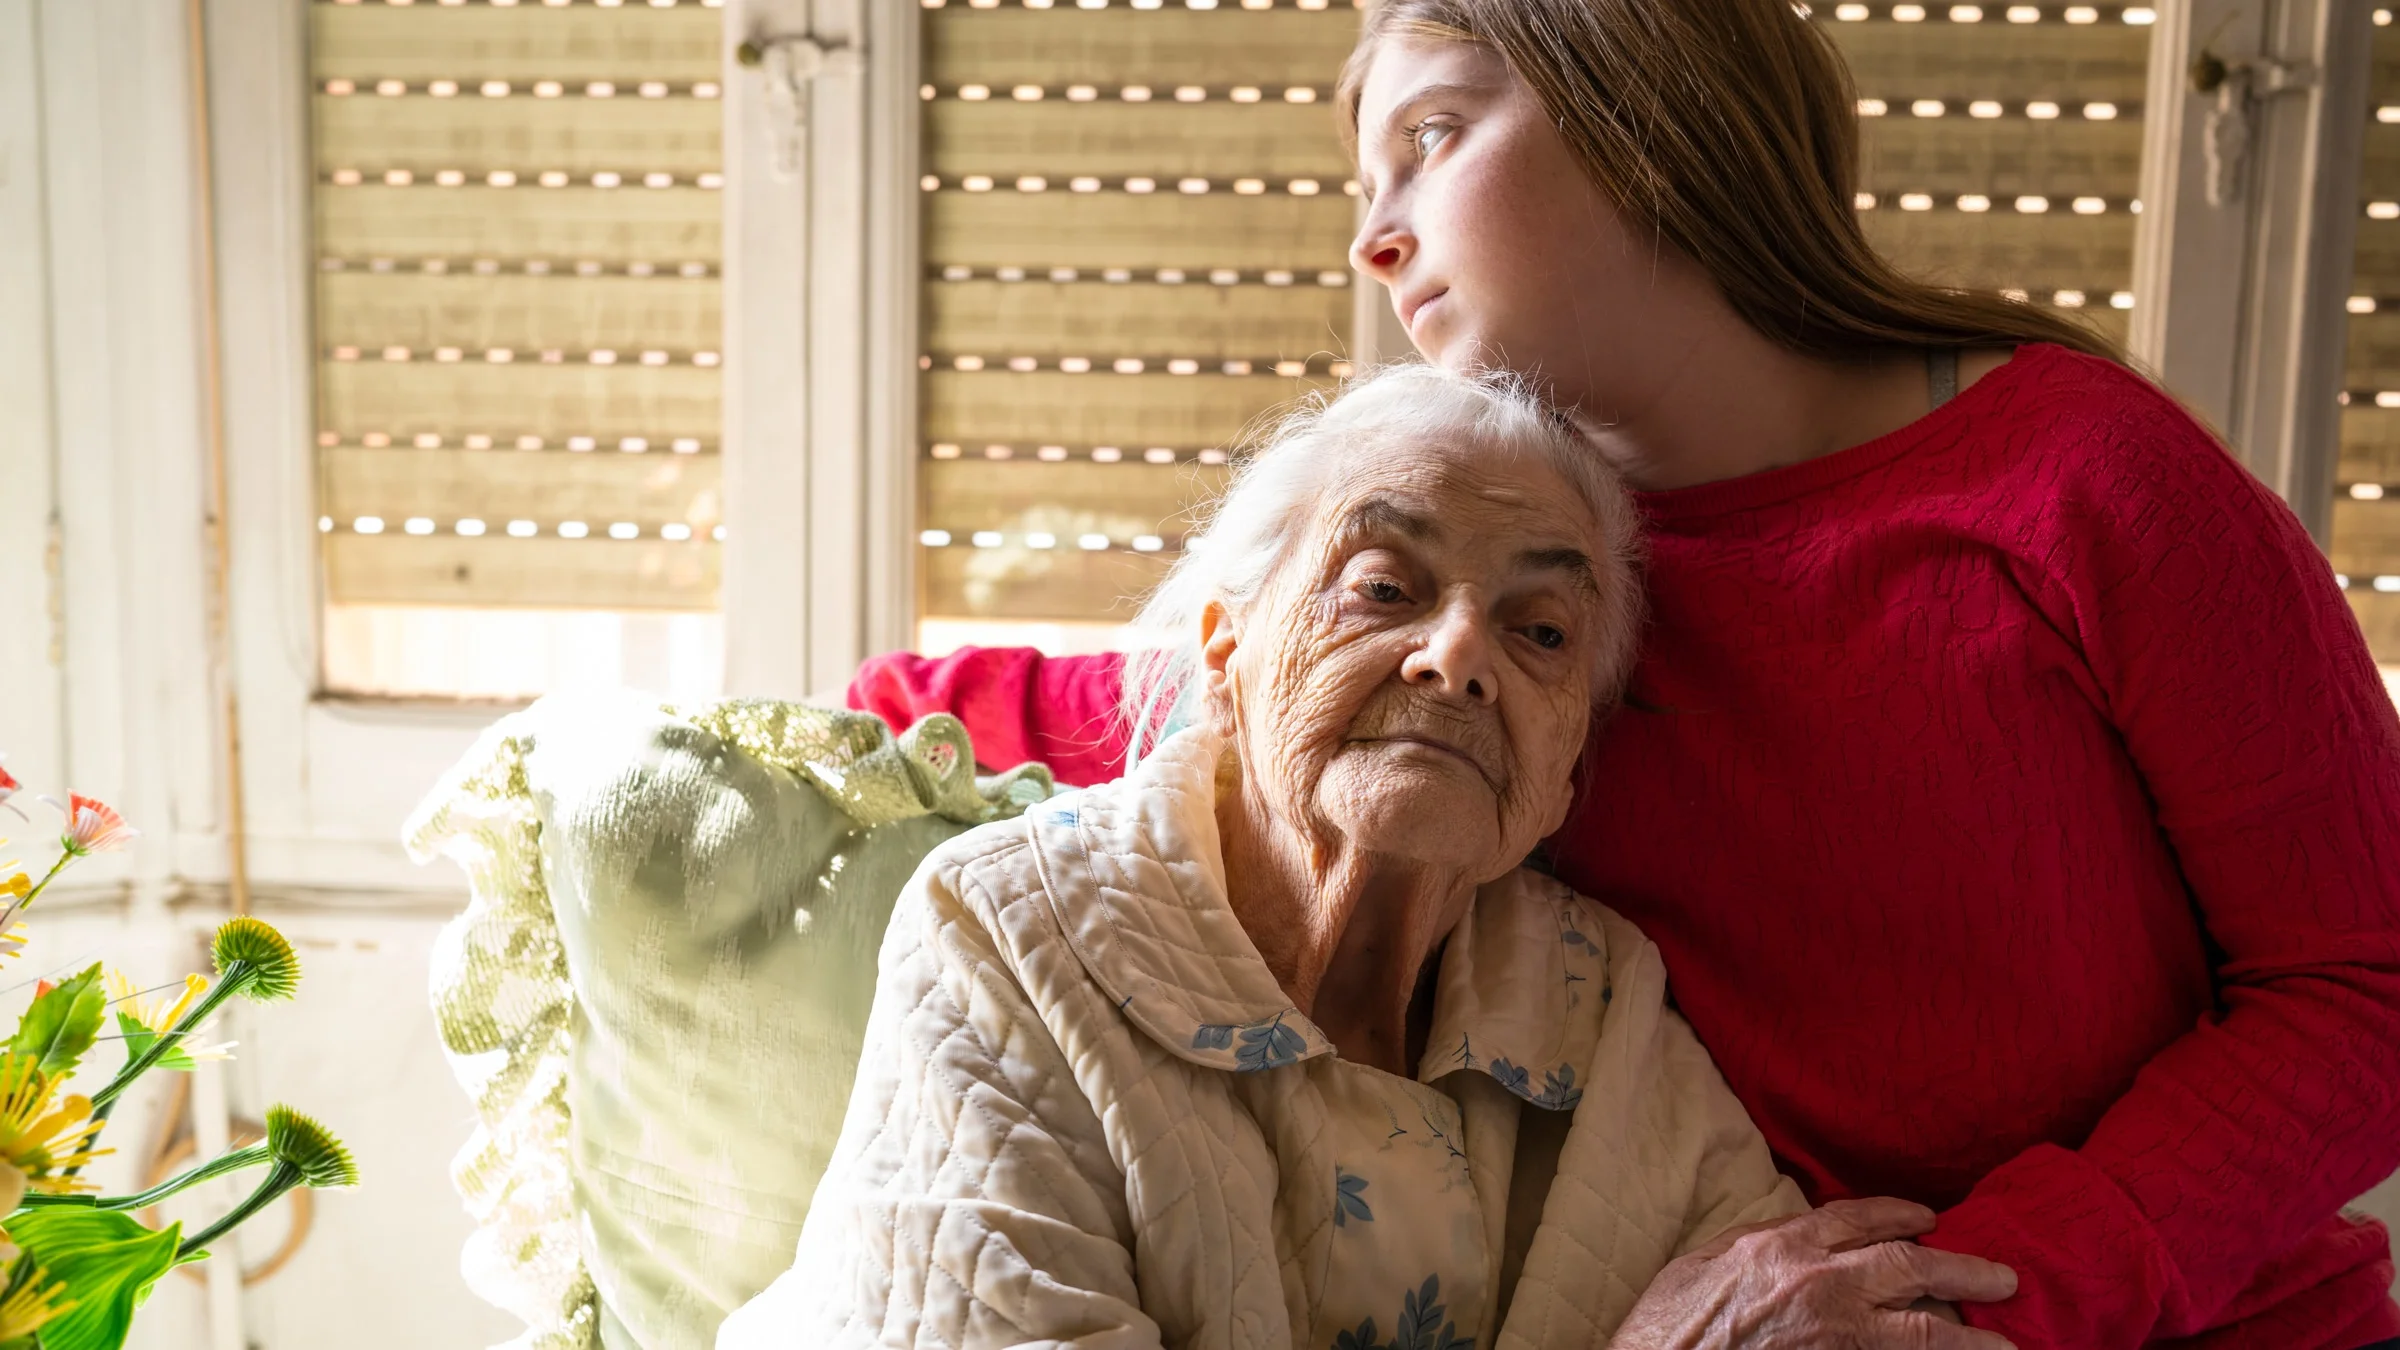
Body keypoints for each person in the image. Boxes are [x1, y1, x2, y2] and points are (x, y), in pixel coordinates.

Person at [848, 3, 2400, 1347]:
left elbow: (2364, 980)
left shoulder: (2090, 482)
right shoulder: (1525, 607)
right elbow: (1257, 690)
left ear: (1641, 104)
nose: (1372, 237)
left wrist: (1997, 1293)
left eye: (1432, 138)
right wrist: (878, 711)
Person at [721, 366, 2023, 1349]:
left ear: (1571, 762)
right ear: (1224, 650)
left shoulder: (1596, 1000)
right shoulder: (1009, 934)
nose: (1459, 656)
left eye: (1544, 632)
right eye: (1385, 586)